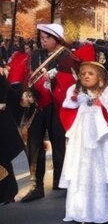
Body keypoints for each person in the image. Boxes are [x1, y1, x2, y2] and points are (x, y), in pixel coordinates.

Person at [58, 45, 108, 224]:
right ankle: (84, 211)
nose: (86, 76)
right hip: (82, 139)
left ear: (100, 75)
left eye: (90, 73)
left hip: (104, 139)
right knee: (85, 172)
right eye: (83, 73)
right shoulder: (75, 90)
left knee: (107, 170)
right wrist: (74, 100)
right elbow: (66, 107)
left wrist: (101, 105)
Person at [20, 23, 75, 202]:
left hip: (56, 105)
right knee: (34, 145)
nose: (43, 40)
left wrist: (54, 80)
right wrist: (25, 94)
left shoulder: (66, 56)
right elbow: (28, 76)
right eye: (42, 37)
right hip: (36, 105)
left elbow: (73, 81)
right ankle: (36, 185)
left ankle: (61, 179)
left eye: (47, 38)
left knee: (59, 143)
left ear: (56, 39)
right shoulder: (36, 55)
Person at [0, 67, 25, 204]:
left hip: (2, 121)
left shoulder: (1, 75)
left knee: (3, 157)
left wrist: (2, 102)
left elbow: (5, 92)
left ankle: (8, 193)